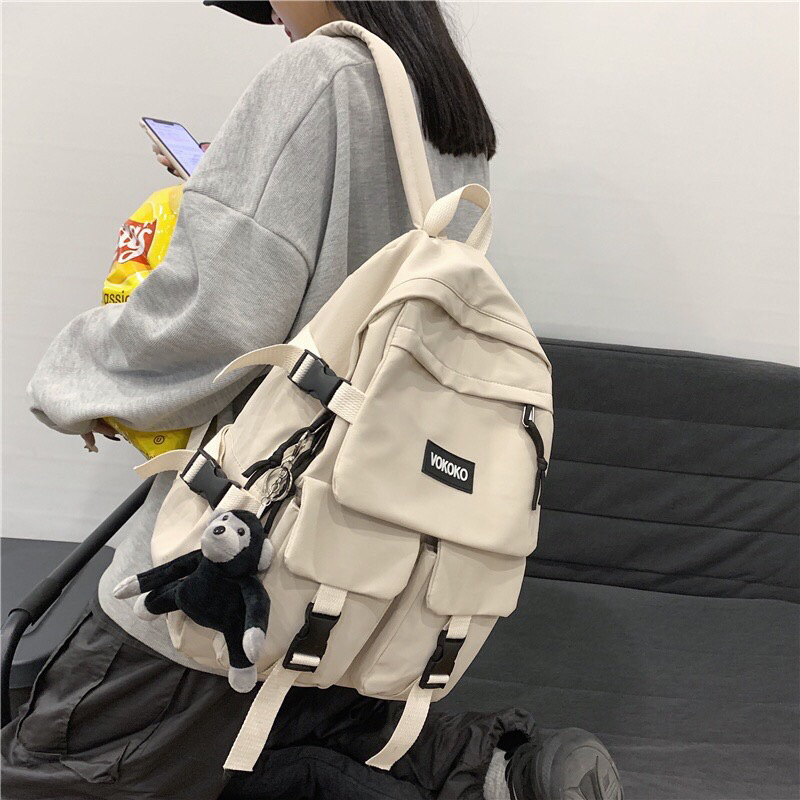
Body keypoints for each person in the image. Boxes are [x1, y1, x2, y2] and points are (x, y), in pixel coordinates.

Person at [1, 3, 623, 799]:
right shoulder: (443, 101)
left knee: (53, 765)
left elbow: (210, 322)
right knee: (299, 722)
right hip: (363, 556)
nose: (269, 12)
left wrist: (72, 379)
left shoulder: (321, 74)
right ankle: (494, 772)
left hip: (245, 535)